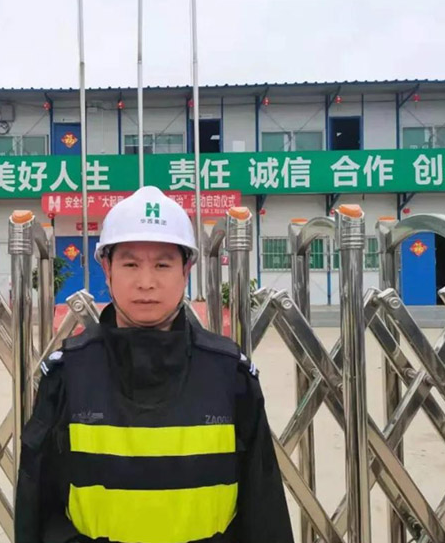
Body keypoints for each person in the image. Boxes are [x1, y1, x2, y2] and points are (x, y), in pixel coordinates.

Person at [15, 186, 294, 543]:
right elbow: (38, 512)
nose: (146, 283)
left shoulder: (229, 375)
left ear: (186, 270)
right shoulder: (68, 375)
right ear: (107, 268)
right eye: (130, 264)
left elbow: (264, 511)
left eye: (163, 264)